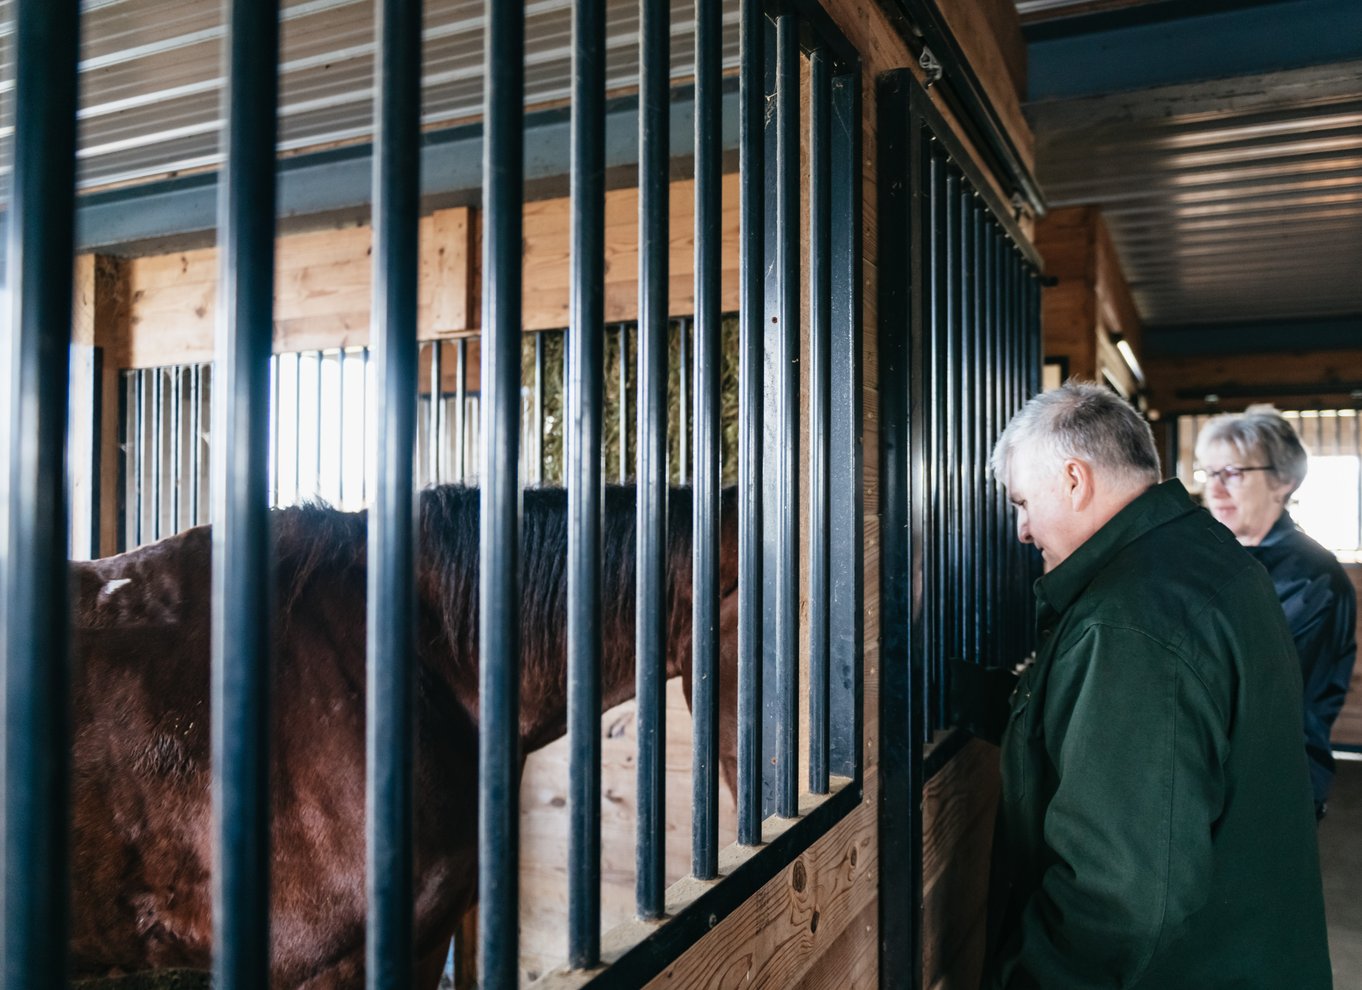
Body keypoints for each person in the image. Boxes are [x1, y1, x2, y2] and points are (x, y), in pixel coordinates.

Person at [984, 381, 1330, 989]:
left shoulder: (1130, 623)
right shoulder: (1205, 557)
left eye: (1021, 503)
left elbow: (1115, 897)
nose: (1022, 530)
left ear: (1074, 480)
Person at [1195, 406, 1357, 820]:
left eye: (1232, 473)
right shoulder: (1221, 555)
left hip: (1276, 779)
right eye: (1208, 473)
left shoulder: (1310, 577)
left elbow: (1253, 682)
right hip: (1218, 771)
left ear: (1283, 480)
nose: (1215, 488)